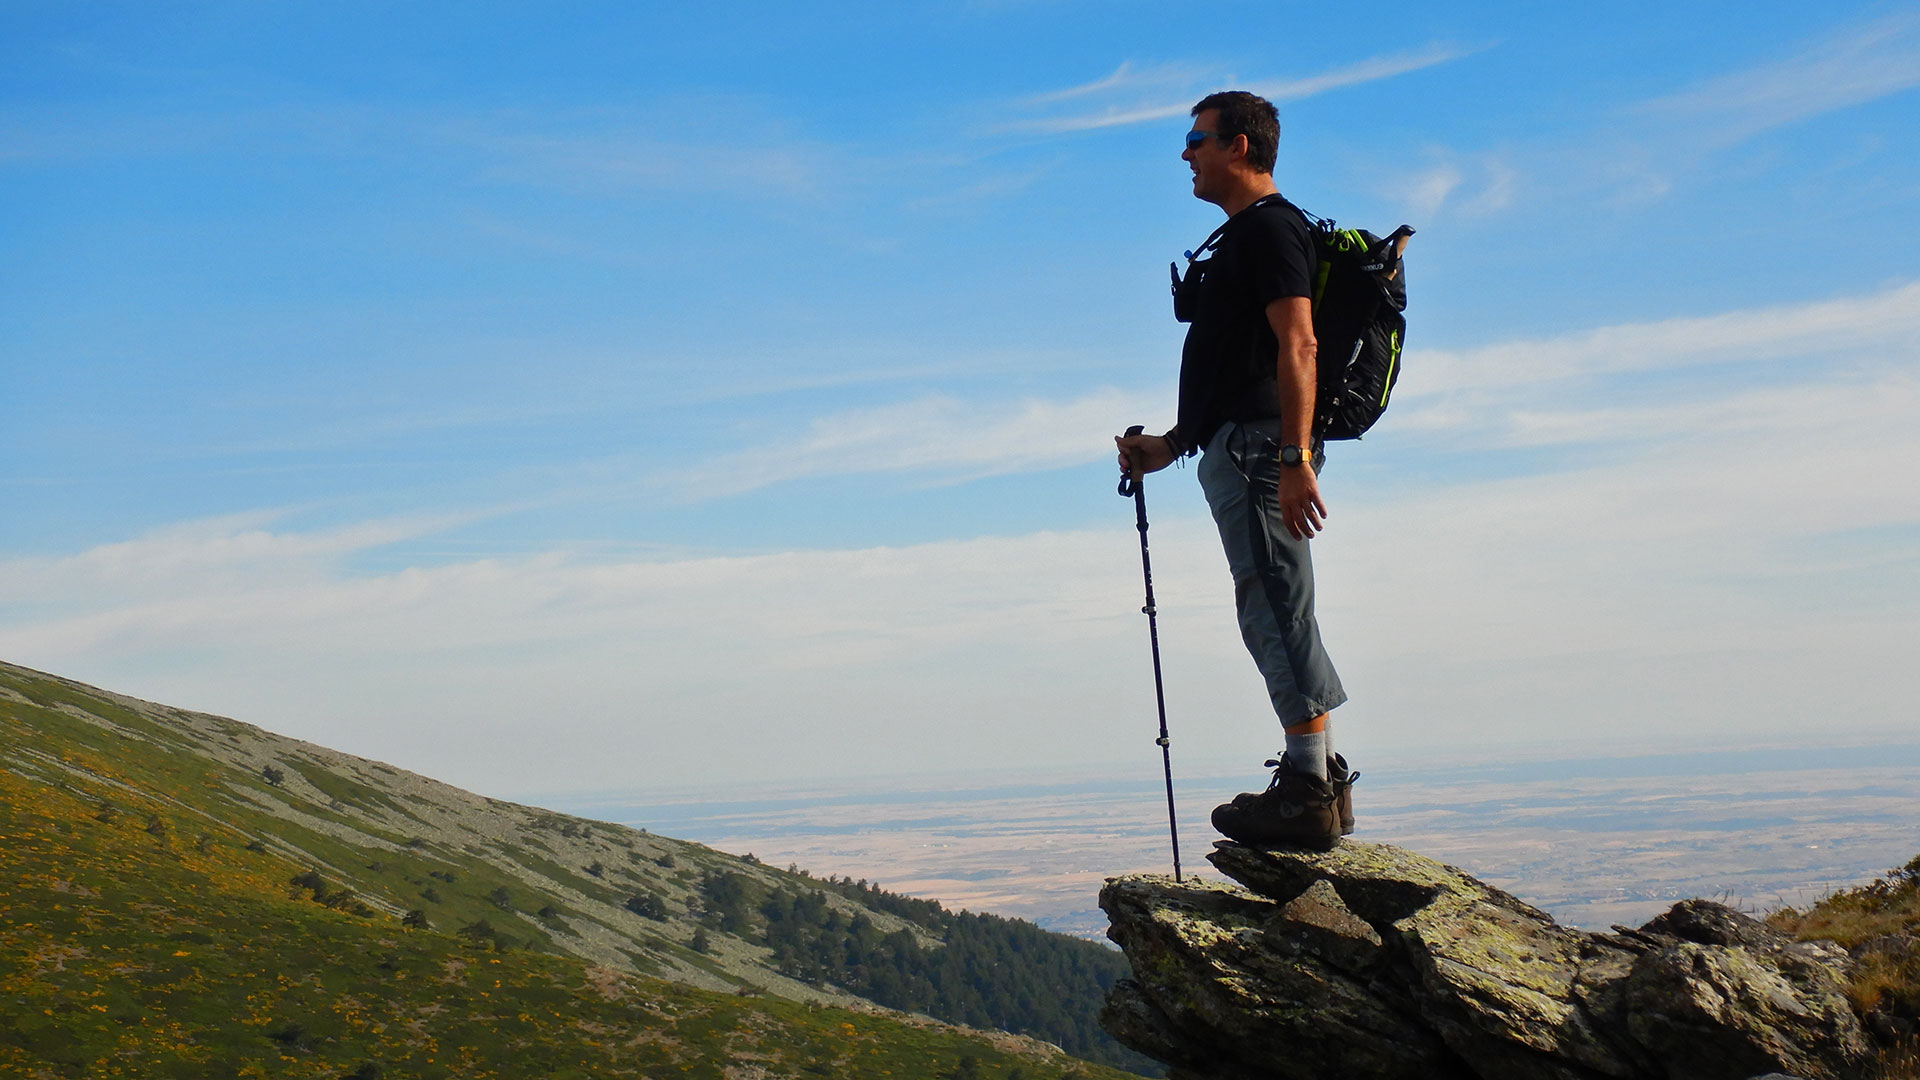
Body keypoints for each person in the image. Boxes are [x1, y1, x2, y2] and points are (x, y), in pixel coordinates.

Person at [1115, 90, 1356, 851]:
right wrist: (1173, 443)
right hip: (1245, 446)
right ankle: (1316, 779)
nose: (1186, 154)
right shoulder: (1244, 239)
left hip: (1261, 454)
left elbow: (1300, 345)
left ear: (1240, 147)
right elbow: (1235, 366)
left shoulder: (1272, 231)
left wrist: (1294, 456)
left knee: (1273, 606)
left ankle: (1309, 789)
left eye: (1197, 139)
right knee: (1273, 603)